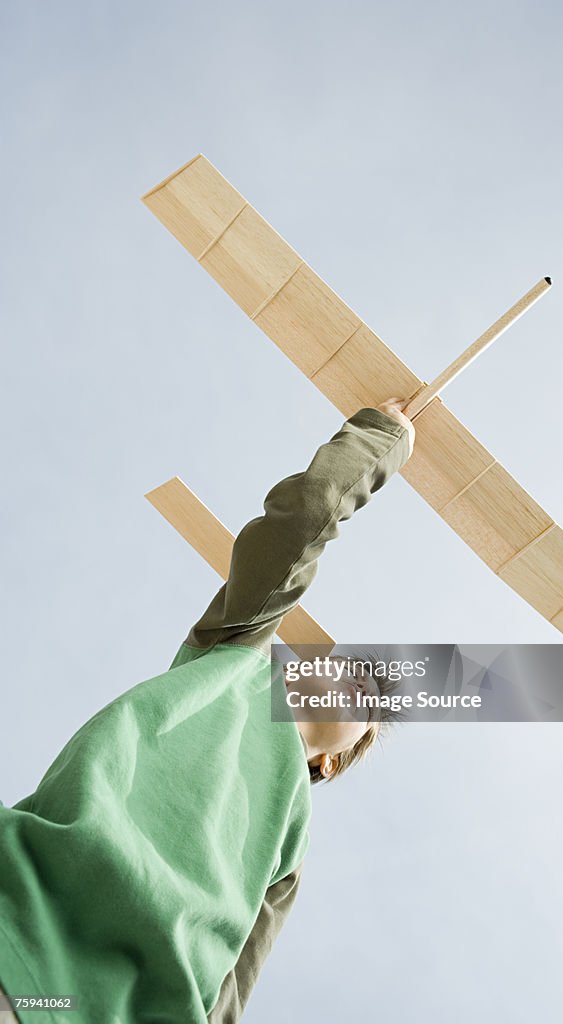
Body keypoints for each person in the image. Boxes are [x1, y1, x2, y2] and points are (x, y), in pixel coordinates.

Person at [0, 398, 415, 1024]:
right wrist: (378, 440)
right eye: (345, 665)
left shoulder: (289, 846)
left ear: (331, 762)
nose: (354, 679)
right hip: (22, 912)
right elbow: (293, 532)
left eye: (368, 701)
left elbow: (234, 986)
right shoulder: (235, 656)